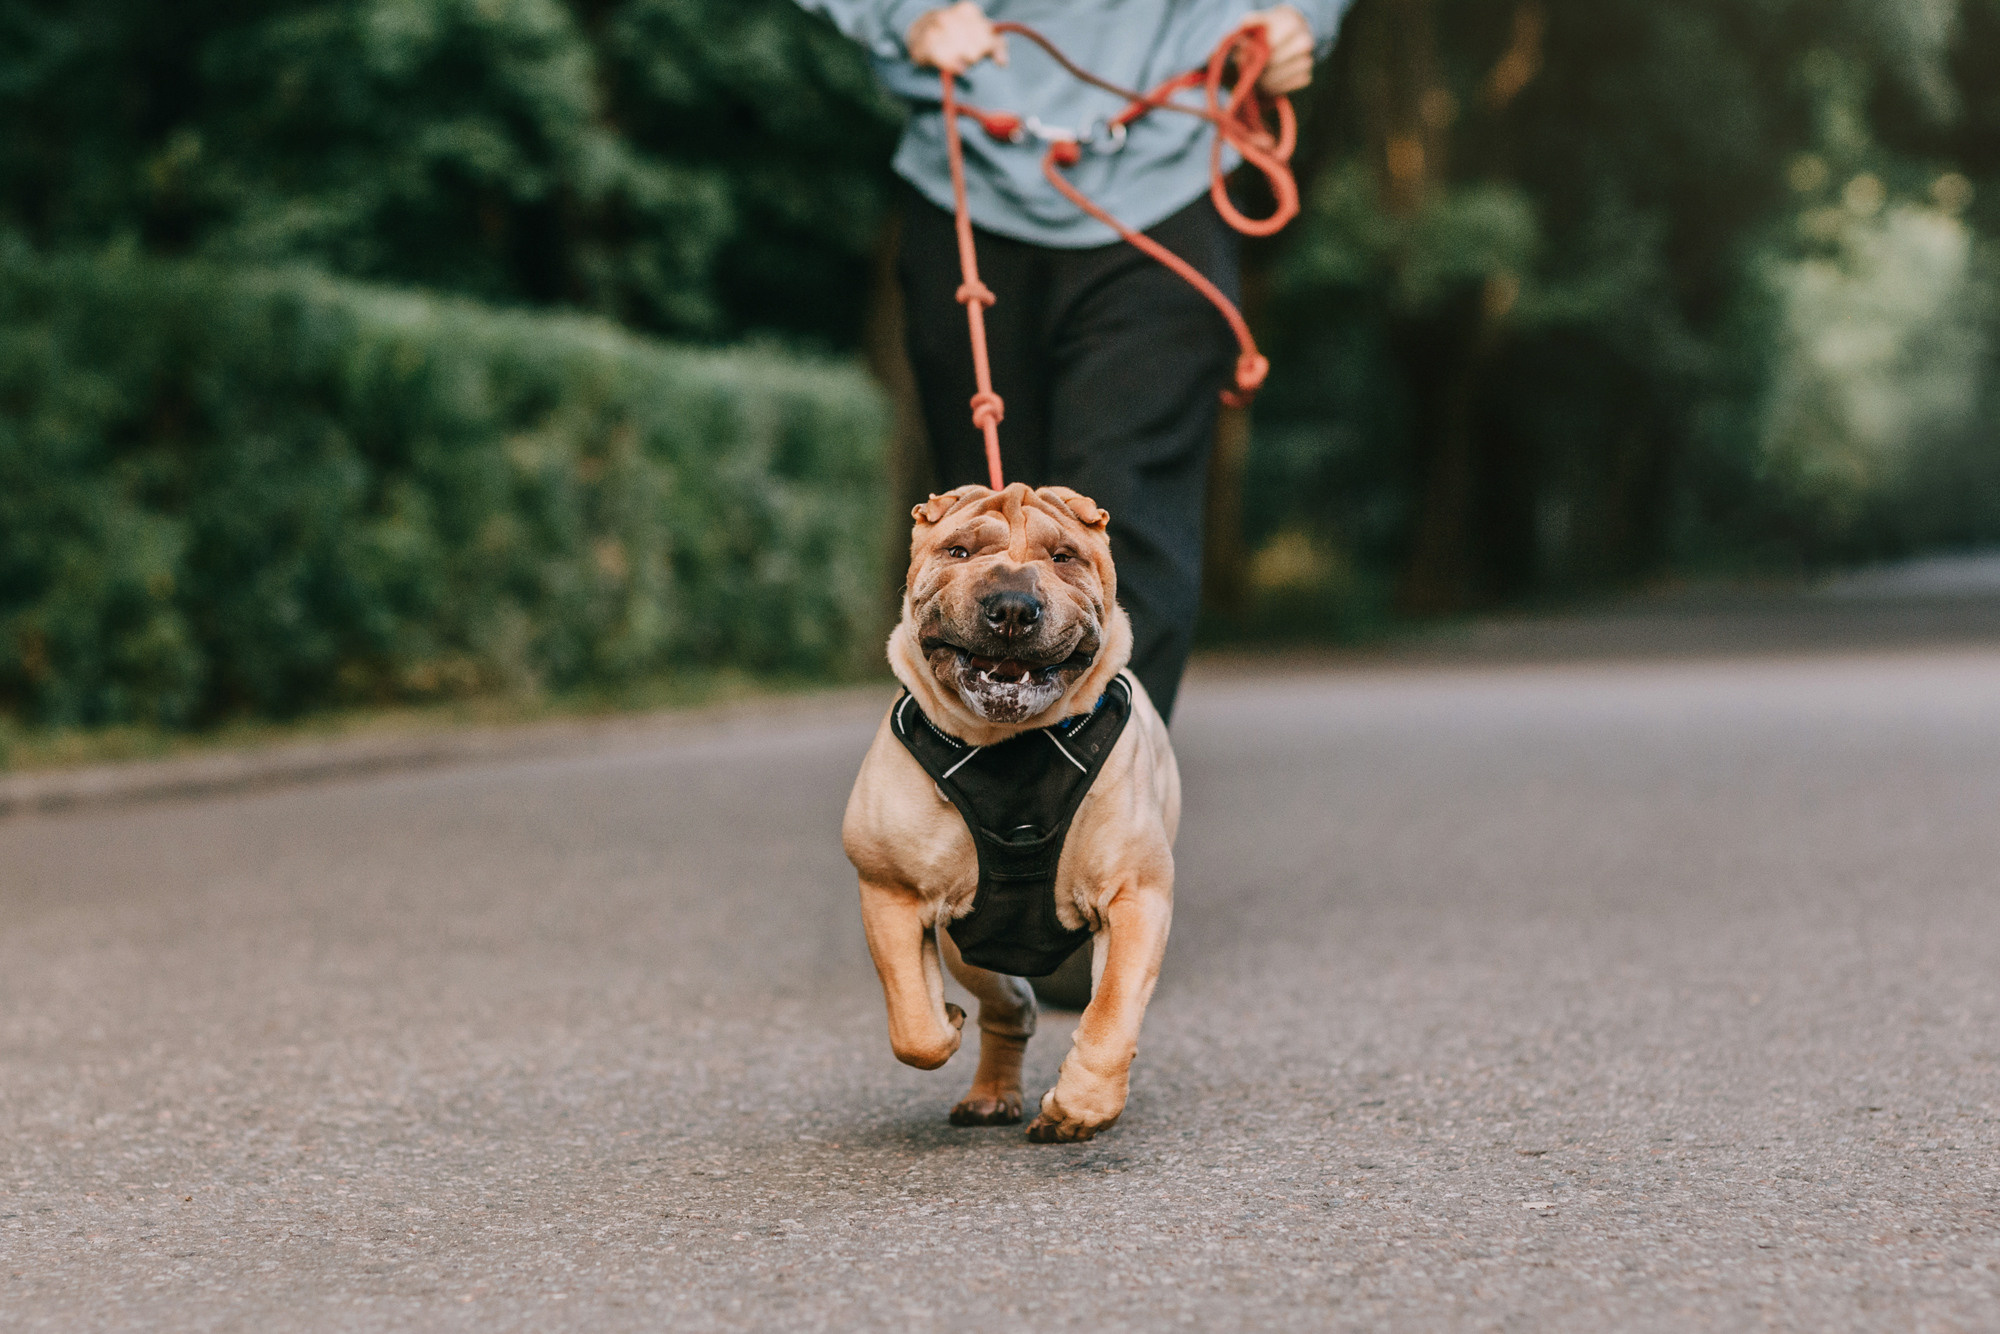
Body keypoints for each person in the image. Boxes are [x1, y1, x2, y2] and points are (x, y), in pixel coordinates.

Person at [801, 0, 1347, 721]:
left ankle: (1098, 805)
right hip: (967, 178)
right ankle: (998, 808)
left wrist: (1299, 16)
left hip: (1171, 181)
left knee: (1112, 530)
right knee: (983, 531)